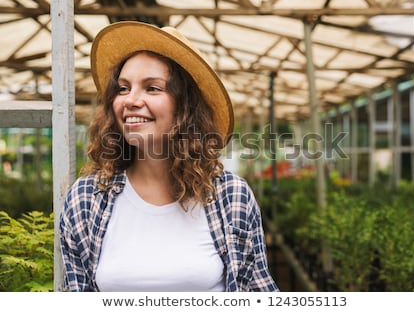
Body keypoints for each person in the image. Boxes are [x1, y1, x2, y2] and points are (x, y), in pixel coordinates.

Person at [59, 21, 279, 292]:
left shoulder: (230, 196)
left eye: (152, 88)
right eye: (123, 88)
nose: (131, 100)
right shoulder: (87, 199)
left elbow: (259, 295)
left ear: (185, 107)